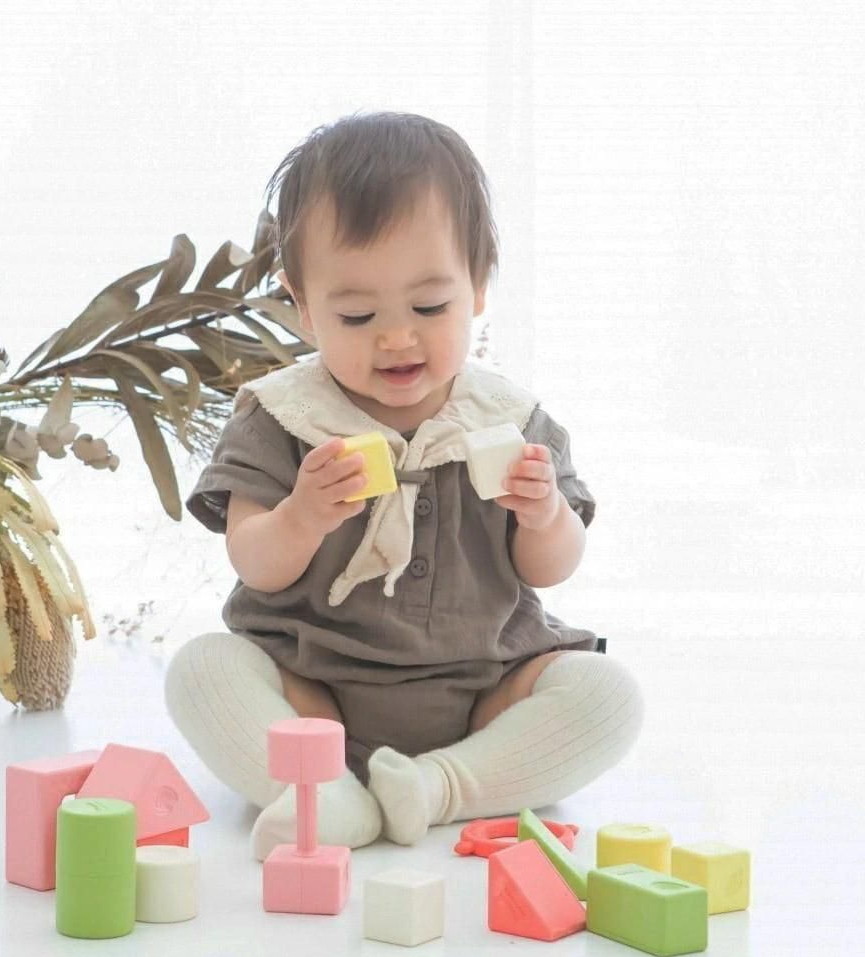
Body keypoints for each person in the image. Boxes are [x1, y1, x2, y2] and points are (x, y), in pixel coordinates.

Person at [164, 110, 644, 861]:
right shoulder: (284, 416)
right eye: (357, 315)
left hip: (487, 690)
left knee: (607, 695)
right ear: (302, 304)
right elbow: (254, 561)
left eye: (429, 307)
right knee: (203, 670)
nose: (396, 337)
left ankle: (438, 786)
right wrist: (302, 515)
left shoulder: (510, 419)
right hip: (315, 690)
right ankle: (326, 796)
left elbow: (551, 567)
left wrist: (544, 513)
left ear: (478, 286)